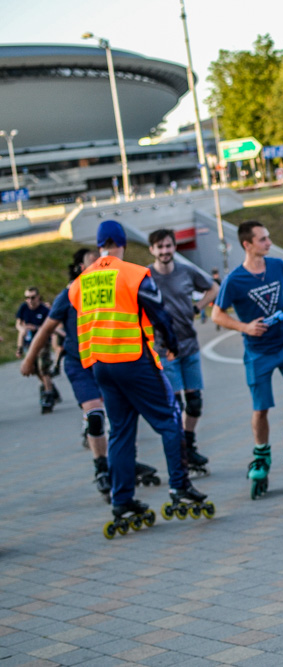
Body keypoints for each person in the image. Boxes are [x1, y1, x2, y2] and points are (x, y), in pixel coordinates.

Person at [69, 220, 210, 536]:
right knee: (169, 420)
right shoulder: (133, 274)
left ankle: (122, 500)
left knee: (120, 432)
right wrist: (172, 345)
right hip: (134, 359)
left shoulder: (81, 282)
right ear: (123, 243)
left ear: (99, 244)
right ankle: (180, 487)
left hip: (101, 365)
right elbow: (159, 312)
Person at [212, 221, 283, 500]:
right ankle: (261, 453)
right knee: (261, 408)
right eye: (263, 239)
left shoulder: (278, 266)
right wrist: (244, 327)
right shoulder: (235, 280)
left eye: (268, 238)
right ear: (248, 245)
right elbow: (217, 315)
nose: (269, 243)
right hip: (258, 352)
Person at [20, 248, 115, 500]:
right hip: (78, 362)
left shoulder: (112, 289)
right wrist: (29, 359)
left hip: (108, 361)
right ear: (81, 268)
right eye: (93, 263)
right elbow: (46, 328)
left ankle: (125, 461)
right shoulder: (70, 293)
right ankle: (101, 468)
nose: (98, 267)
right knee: (95, 415)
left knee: (118, 416)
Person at [148, 229, 218, 473]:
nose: (165, 251)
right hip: (164, 349)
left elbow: (214, 288)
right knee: (175, 406)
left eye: (168, 246)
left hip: (189, 345)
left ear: (174, 247)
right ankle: (179, 453)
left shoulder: (186, 272)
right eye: (160, 247)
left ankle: (189, 445)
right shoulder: (146, 276)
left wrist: (198, 307)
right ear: (152, 250)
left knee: (195, 403)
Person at [16, 286, 60, 413]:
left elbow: (50, 326)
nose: (30, 300)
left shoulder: (44, 310)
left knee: (43, 368)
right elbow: (18, 324)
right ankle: (51, 389)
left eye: (32, 297)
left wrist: (35, 328)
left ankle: (48, 395)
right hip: (29, 344)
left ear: (38, 297)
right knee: (34, 370)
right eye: (27, 298)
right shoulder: (23, 308)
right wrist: (22, 330)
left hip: (42, 343)